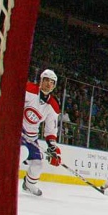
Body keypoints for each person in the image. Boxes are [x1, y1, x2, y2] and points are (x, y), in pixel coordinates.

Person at [20, 68, 62, 197]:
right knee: (22, 153)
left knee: (38, 163)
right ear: (41, 80)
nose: (49, 84)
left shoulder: (53, 105)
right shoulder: (29, 90)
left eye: (52, 82)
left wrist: (53, 148)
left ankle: (29, 184)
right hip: (18, 131)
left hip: (32, 137)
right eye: (47, 80)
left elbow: (50, 130)